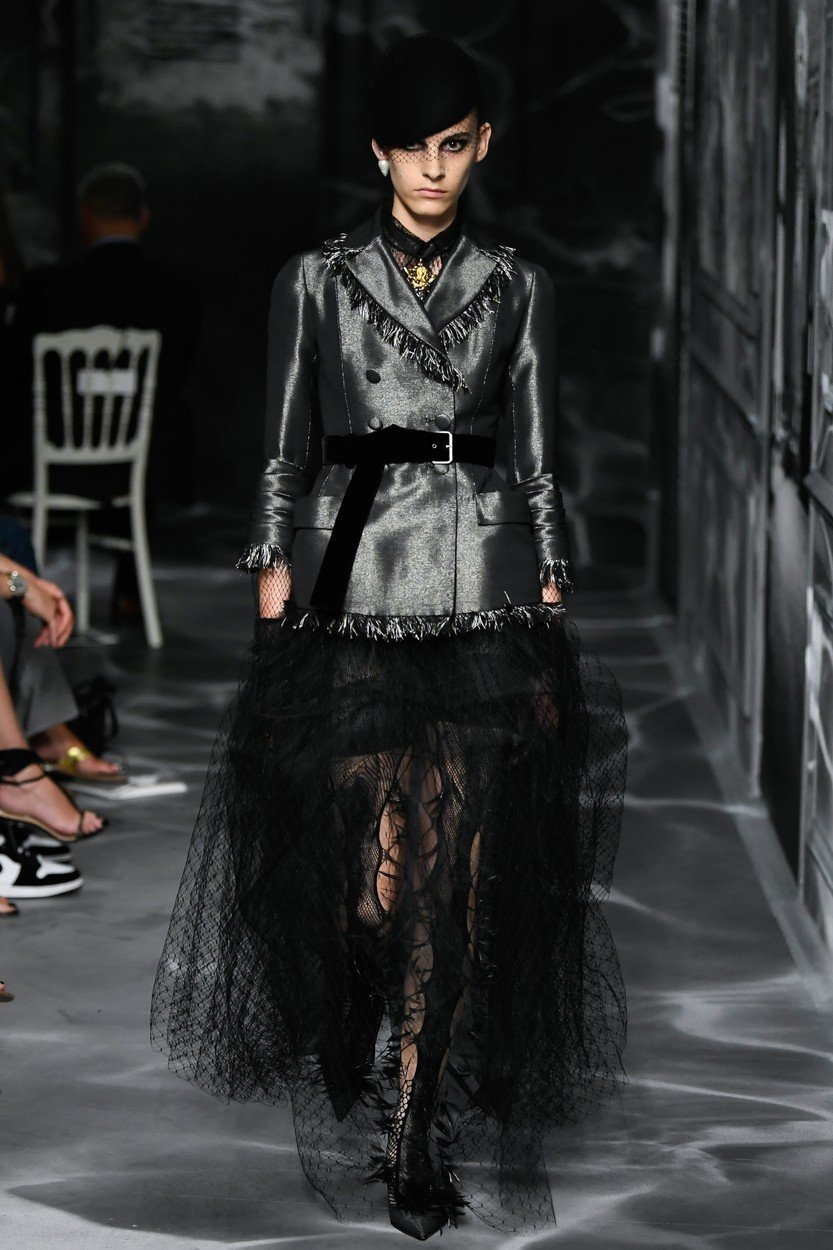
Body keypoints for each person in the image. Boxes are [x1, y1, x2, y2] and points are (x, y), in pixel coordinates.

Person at [151, 33, 628, 1241]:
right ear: (377, 153)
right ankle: (359, 999)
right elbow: (280, 452)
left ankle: (414, 1132)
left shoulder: (518, 286)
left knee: (449, 888)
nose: (430, 169)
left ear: (481, 145)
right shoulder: (312, 281)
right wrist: (272, 609)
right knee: (368, 890)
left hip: (477, 598)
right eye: (411, 148)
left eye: (451, 146)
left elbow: (534, 463)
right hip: (348, 590)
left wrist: (547, 612)